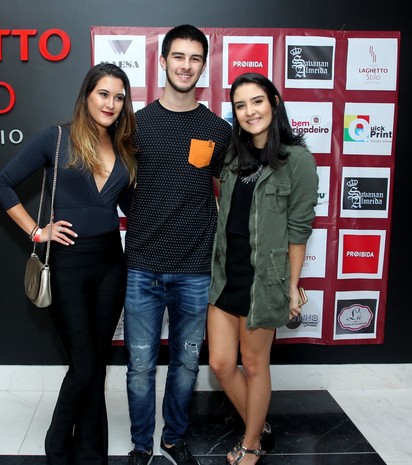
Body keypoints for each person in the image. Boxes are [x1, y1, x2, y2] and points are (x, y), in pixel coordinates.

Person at [0, 62, 137, 465]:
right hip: (68, 265)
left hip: (111, 264)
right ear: (87, 95)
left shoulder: (124, 148)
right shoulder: (57, 138)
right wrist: (38, 232)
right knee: (85, 365)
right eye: (103, 94)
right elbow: (1, 184)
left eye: (119, 97)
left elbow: (125, 205)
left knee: (94, 362)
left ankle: (91, 453)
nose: (110, 103)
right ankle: (58, 446)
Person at [123, 25, 232, 465]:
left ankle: (174, 438)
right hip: (142, 267)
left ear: (203, 66)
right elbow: (118, 186)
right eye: (178, 57)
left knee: (187, 365)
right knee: (140, 368)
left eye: (195, 58)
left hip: (195, 270)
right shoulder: (135, 124)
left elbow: (230, 191)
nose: (186, 66)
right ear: (162, 61)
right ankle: (140, 444)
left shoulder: (217, 129)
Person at [207, 72, 319, 465]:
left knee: (255, 366)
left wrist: (292, 286)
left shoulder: (298, 159)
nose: (250, 111)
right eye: (240, 105)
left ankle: (252, 442)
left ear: (273, 100)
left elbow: (298, 228)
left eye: (256, 101)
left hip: (264, 279)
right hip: (225, 273)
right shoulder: (233, 156)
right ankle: (259, 423)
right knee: (221, 363)